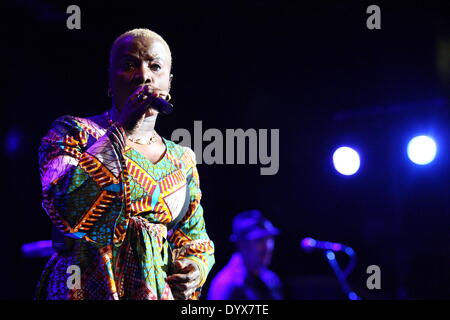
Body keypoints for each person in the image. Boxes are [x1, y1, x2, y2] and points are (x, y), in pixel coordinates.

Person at [35, 28, 215, 300]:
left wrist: (194, 269)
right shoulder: (72, 132)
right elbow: (64, 206)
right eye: (129, 65)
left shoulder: (182, 159)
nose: (144, 75)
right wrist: (122, 131)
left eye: (155, 66)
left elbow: (195, 239)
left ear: (168, 83)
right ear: (109, 79)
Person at [207, 210, 283, 300]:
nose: (267, 246)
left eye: (269, 239)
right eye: (259, 240)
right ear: (241, 244)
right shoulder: (226, 284)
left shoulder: (271, 279)